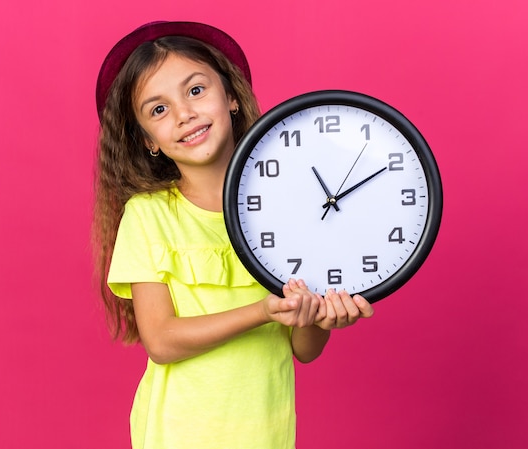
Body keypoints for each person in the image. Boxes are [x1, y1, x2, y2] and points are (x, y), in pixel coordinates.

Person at [92, 21, 374, 449]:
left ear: (233, 97)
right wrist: (262, 311)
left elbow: (304, 347)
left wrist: (323, 317)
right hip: (179, 434)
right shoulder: (148, 216)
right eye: (159, 110)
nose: (184, 114)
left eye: (195, 90)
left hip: (267, 432)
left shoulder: (290, 209)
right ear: (148, 140)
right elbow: (162, 340)